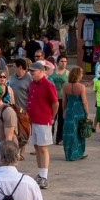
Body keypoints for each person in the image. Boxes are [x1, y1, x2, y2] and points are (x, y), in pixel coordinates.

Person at [24, 60, 59, 188]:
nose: (31, 73)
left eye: (33, 71)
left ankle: (44, 176)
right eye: (31, 71)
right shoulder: (32, 84)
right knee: (37, 147)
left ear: (41, 71)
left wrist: (51, 117)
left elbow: (55, 103)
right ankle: (40, 173)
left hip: (43, 120)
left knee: (43, 148)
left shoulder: (48, 84)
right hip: (32, 120)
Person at [61, 67, 89, 162]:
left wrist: (64, 111)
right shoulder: (81, 87)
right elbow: (84, 102)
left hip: (69, 110)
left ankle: (68, 153)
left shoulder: (65, 86)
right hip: (79, 111)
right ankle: (78, 153)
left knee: (69, 133)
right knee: (79, 132)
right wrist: (87, 113)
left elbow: (64, 101)